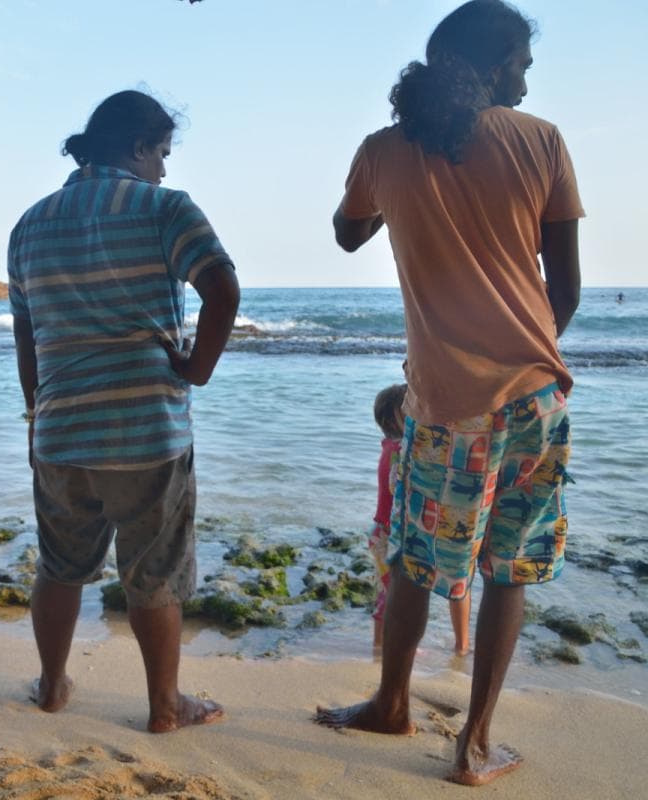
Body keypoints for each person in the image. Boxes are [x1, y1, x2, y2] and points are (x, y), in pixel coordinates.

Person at [313, 0, 582, 787]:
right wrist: (522, 357)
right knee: (510, 568)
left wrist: (402, 197)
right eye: (522, 65)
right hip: (535, 395)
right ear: (495, 60)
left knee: (417, 560)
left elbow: (346, 231)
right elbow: (563, 289)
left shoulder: (384, 150)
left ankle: (391, 704)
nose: (527, 82)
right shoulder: (542, 143)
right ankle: (474, 744)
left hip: (444, 405)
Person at [8, 89, 240, 733]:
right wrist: (196, 370)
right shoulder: (164, 208)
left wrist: (37, 416)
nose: (164, 169)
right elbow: (222, 287)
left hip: (60, 432)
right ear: (138, 146)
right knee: (154, 573)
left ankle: (53, 687)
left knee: (59, 567)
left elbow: (27, 337)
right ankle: (164, 707)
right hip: (147, 432)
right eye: (161, 153)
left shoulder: (30, 223)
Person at [368, 384, 471, 655]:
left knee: (391, 592)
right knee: (391, 594)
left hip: (386, 532)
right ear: (394, 419)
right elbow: (396, 487)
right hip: (388, 534)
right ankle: (382, 646)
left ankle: (385, 644)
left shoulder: (394, 445)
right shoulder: (398, 449)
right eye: (410, 410)